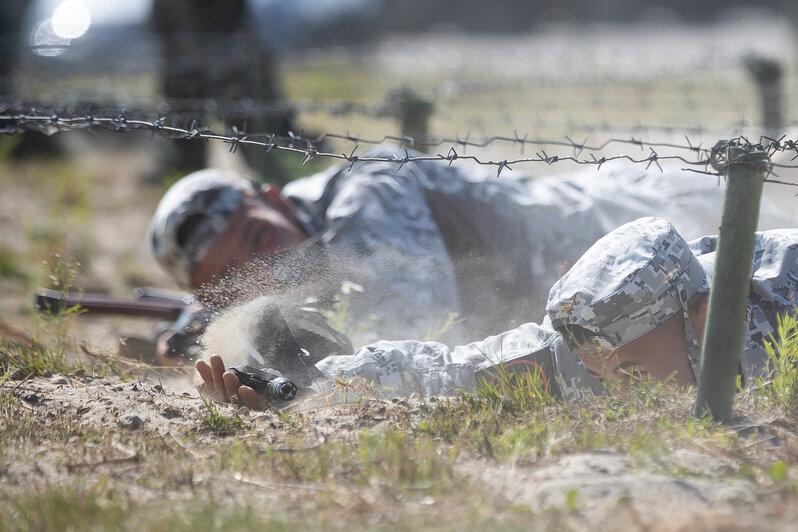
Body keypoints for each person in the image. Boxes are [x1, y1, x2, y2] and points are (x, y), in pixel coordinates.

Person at [150, 146, 795, 347]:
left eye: (259, 235)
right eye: (236, 279)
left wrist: (250, 340)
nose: (263, 268)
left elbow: (405, 332)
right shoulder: (317, 247)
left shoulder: (367, 195)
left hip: (672, 213)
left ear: (277, 197)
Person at [196, 217, 798, 409]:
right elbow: (453, 372)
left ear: (703, 319)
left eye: (633, 374)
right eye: (602, 372)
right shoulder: (607, 344)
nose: (618, 394)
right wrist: (306, 390)